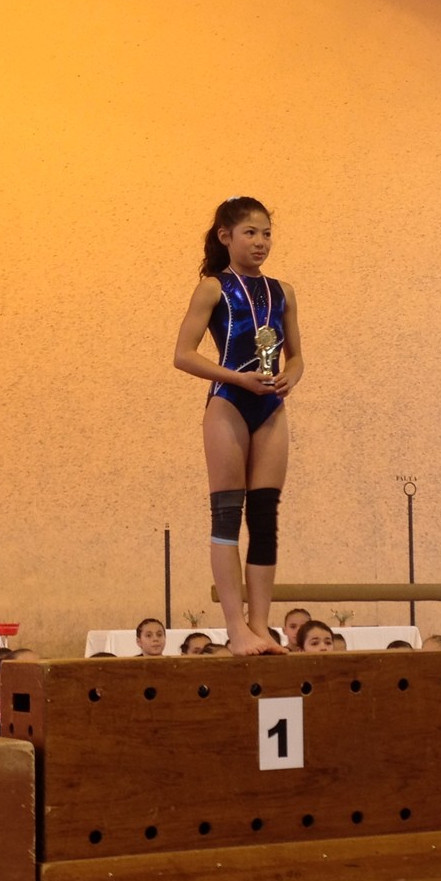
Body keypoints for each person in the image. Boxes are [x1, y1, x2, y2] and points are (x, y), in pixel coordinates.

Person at [172, 196, 304, 656]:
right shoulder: (213, 288)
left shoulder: (283, 290)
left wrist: (294, 375)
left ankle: (260, 624)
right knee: (228, 515)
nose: (261, 242)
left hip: (270, 407)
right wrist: (236, 378)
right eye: (251, 233)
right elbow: (183, 355)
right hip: (229, 402)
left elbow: (297, 354)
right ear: (226, 236)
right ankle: (235, 627)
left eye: (267, 233)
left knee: (265, 518)